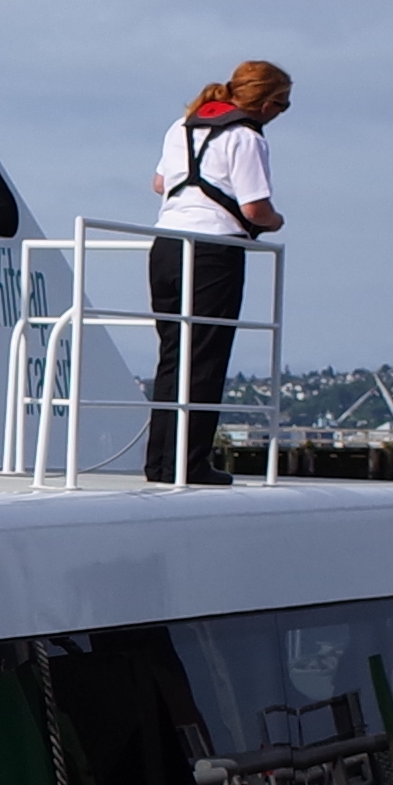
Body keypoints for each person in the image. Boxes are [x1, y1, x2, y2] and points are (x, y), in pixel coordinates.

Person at [142, 60, 287, 488]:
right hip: (213, 250)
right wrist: (277, 222)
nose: (282, 113)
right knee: (205, 356)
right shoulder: (245, 137)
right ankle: (191, 465)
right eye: (283, 104)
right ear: (264, 103)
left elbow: (158, 183)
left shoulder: (181, 127)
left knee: (172, 355)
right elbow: (254, 209)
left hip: (166, 245)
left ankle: (160, 463)